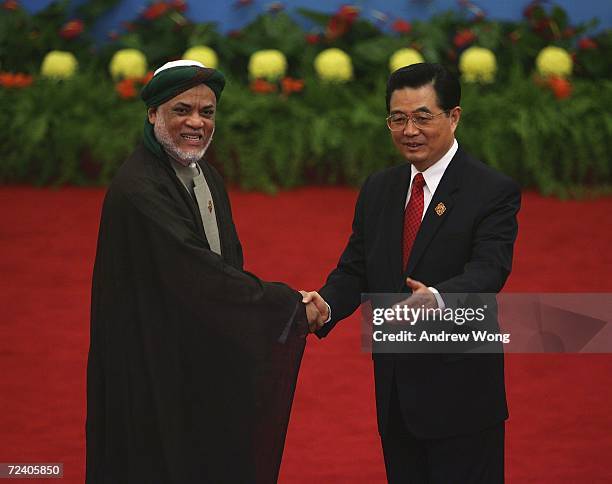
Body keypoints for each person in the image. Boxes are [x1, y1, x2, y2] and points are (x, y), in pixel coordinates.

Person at [86, 60, 320, 484]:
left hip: (196, 359)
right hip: (152, 367)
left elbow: (224, 265)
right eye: (182, 110)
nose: (196, 123)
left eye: (207, 112)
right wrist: (290, 307)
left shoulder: (204, 175)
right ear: (153, 113)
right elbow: (198, 275)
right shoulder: (140, 187)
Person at [302, 63, 521, 483]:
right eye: (397, 119)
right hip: (397, 396)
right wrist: (325, 305)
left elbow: (490, 269)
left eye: (423, 117)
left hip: (462, 398)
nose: (409, 130)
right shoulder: (379, 189)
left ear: (453, 116)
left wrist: (438, 298)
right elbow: (355, 268)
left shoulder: (490, 190)